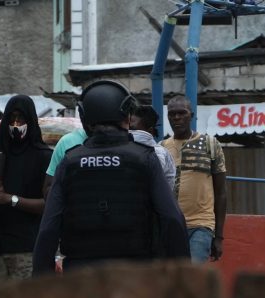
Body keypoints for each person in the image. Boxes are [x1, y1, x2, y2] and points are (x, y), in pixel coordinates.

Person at [33, 80, 190, 275]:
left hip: (81, 279)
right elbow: (172, 218)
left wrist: (43, 283)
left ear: (84, 118)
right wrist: (183, 279)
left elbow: (48, 228)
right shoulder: (145, 158)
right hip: (135, 277)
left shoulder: (69, 162)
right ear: (126, 115)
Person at [0, 94, 52, 280]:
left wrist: (10, 199)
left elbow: (47, 206)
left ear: (30, 120)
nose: (16, 124)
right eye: (12, 118)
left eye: (21, 118)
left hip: (27, 250)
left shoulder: (43, 157)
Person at [161, 95, 227, 264]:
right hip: (171, 226)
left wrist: (219, 236)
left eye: (181, 113)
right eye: (172, 114)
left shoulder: (210, 145)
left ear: (191, 115)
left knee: (192, 277)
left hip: (201, 224)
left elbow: (221, 193)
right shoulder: (161, 148)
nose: (176, 117)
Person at [129, 105, 176, 190]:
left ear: (150, 130)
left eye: (132, 129)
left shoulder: (158, 153)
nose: (129, 132)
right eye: (127, 128)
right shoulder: (125, 148)